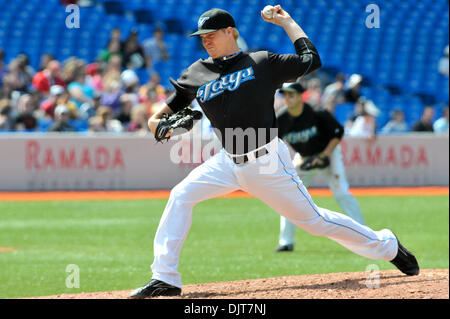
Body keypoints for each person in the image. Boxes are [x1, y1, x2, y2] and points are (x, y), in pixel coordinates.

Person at [129, 6, 419, 299]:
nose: (205, 40)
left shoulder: (261, 62)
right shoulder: (196, 72)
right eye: (202, 36)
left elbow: (311, 60)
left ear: (231, 31)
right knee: (181, 195)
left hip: (267, 161)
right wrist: (163, 126)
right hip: (227, 162)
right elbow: (158, 120)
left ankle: (387, 245)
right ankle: (165, 278)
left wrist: (286, 21)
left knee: (315, 222)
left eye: (211, 34)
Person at [274, 82, 366, 252]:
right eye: (285, 95)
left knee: (341, 193)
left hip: (329, 153)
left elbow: (338, 132)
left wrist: (324, 155)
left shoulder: (317, 112)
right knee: (289, 196)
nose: (287, 98)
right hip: (305, 157)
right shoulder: (281, 118)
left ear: (301, 96)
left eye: (291, 94)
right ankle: (286, 242)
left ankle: (364, 235)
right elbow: (274, 143)